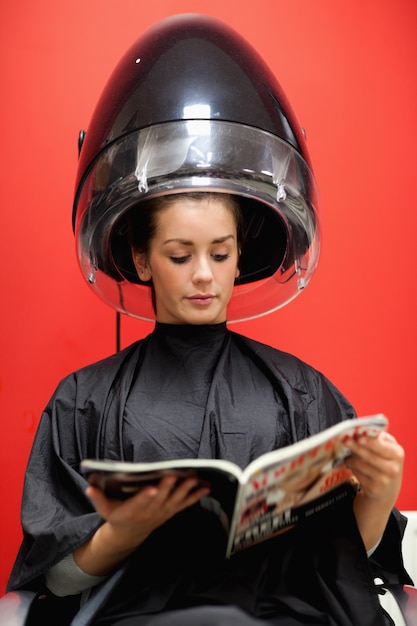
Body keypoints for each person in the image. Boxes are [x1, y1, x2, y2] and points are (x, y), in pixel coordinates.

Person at [6, 14, 412, 626]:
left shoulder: (301, 394)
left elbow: (347, 563)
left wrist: (378, 496)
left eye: (220, 254)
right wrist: (125, 532)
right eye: (179, 255)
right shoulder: (83, 404)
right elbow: (56, 582)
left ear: (241, 255)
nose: (204, 275)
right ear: (140, 258)